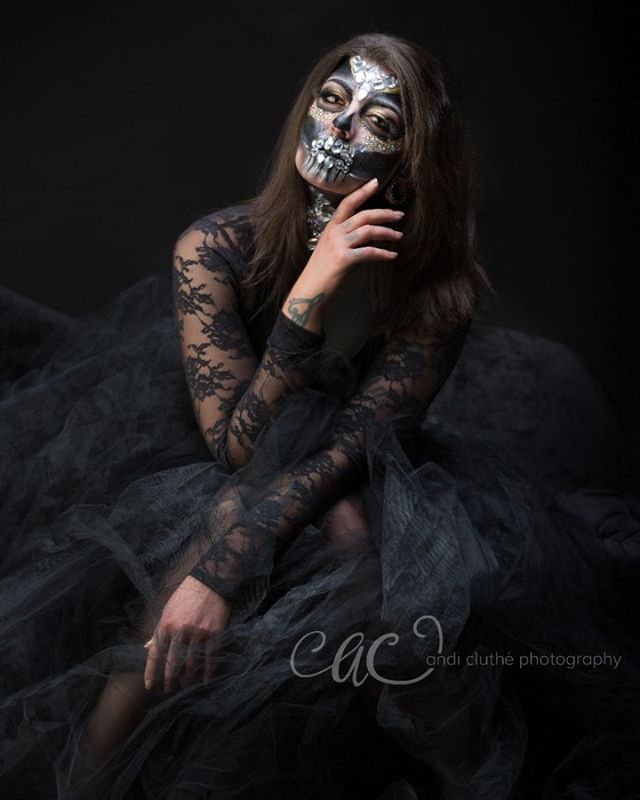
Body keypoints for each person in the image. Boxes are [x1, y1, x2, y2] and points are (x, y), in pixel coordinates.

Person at [1, 32, 638, 800]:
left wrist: (221, 571)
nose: (338, 128)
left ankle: (474, 778)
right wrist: (305, 300)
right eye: (331, 101)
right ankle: (88, 781)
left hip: (359, 464)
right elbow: (240, 448)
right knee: (242, 509)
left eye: (377, 120)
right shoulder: (214, 248)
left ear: (412, 159)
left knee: (357, 542)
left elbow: (353, 446)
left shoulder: (439, 287)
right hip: (218, 447)